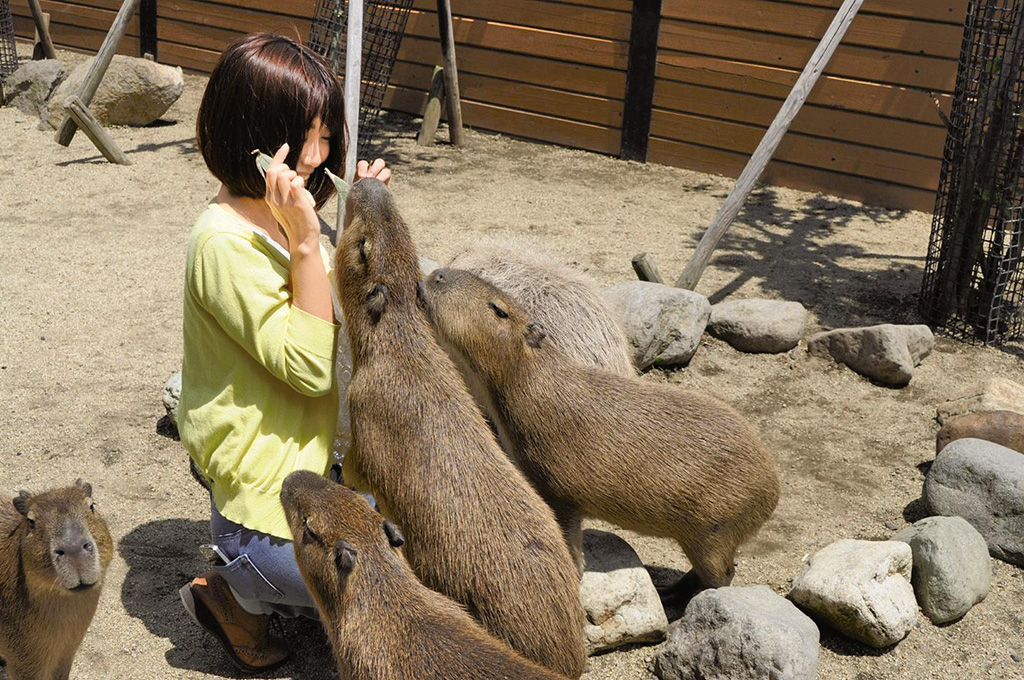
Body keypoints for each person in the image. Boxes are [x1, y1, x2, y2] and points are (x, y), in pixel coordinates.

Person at [175, 32, 390, 672]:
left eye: (326, 136)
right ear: (249, 133)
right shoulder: (224, 243)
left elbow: (341, 310)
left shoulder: (283, 211)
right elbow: (309, 368)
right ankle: (242, 588)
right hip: (267, 512)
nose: (317, 157)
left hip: (318, 475)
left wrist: (365, 221)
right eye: (302, 139)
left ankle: (254, 596)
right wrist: (303, 244)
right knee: (396, 585)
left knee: (428, 538)